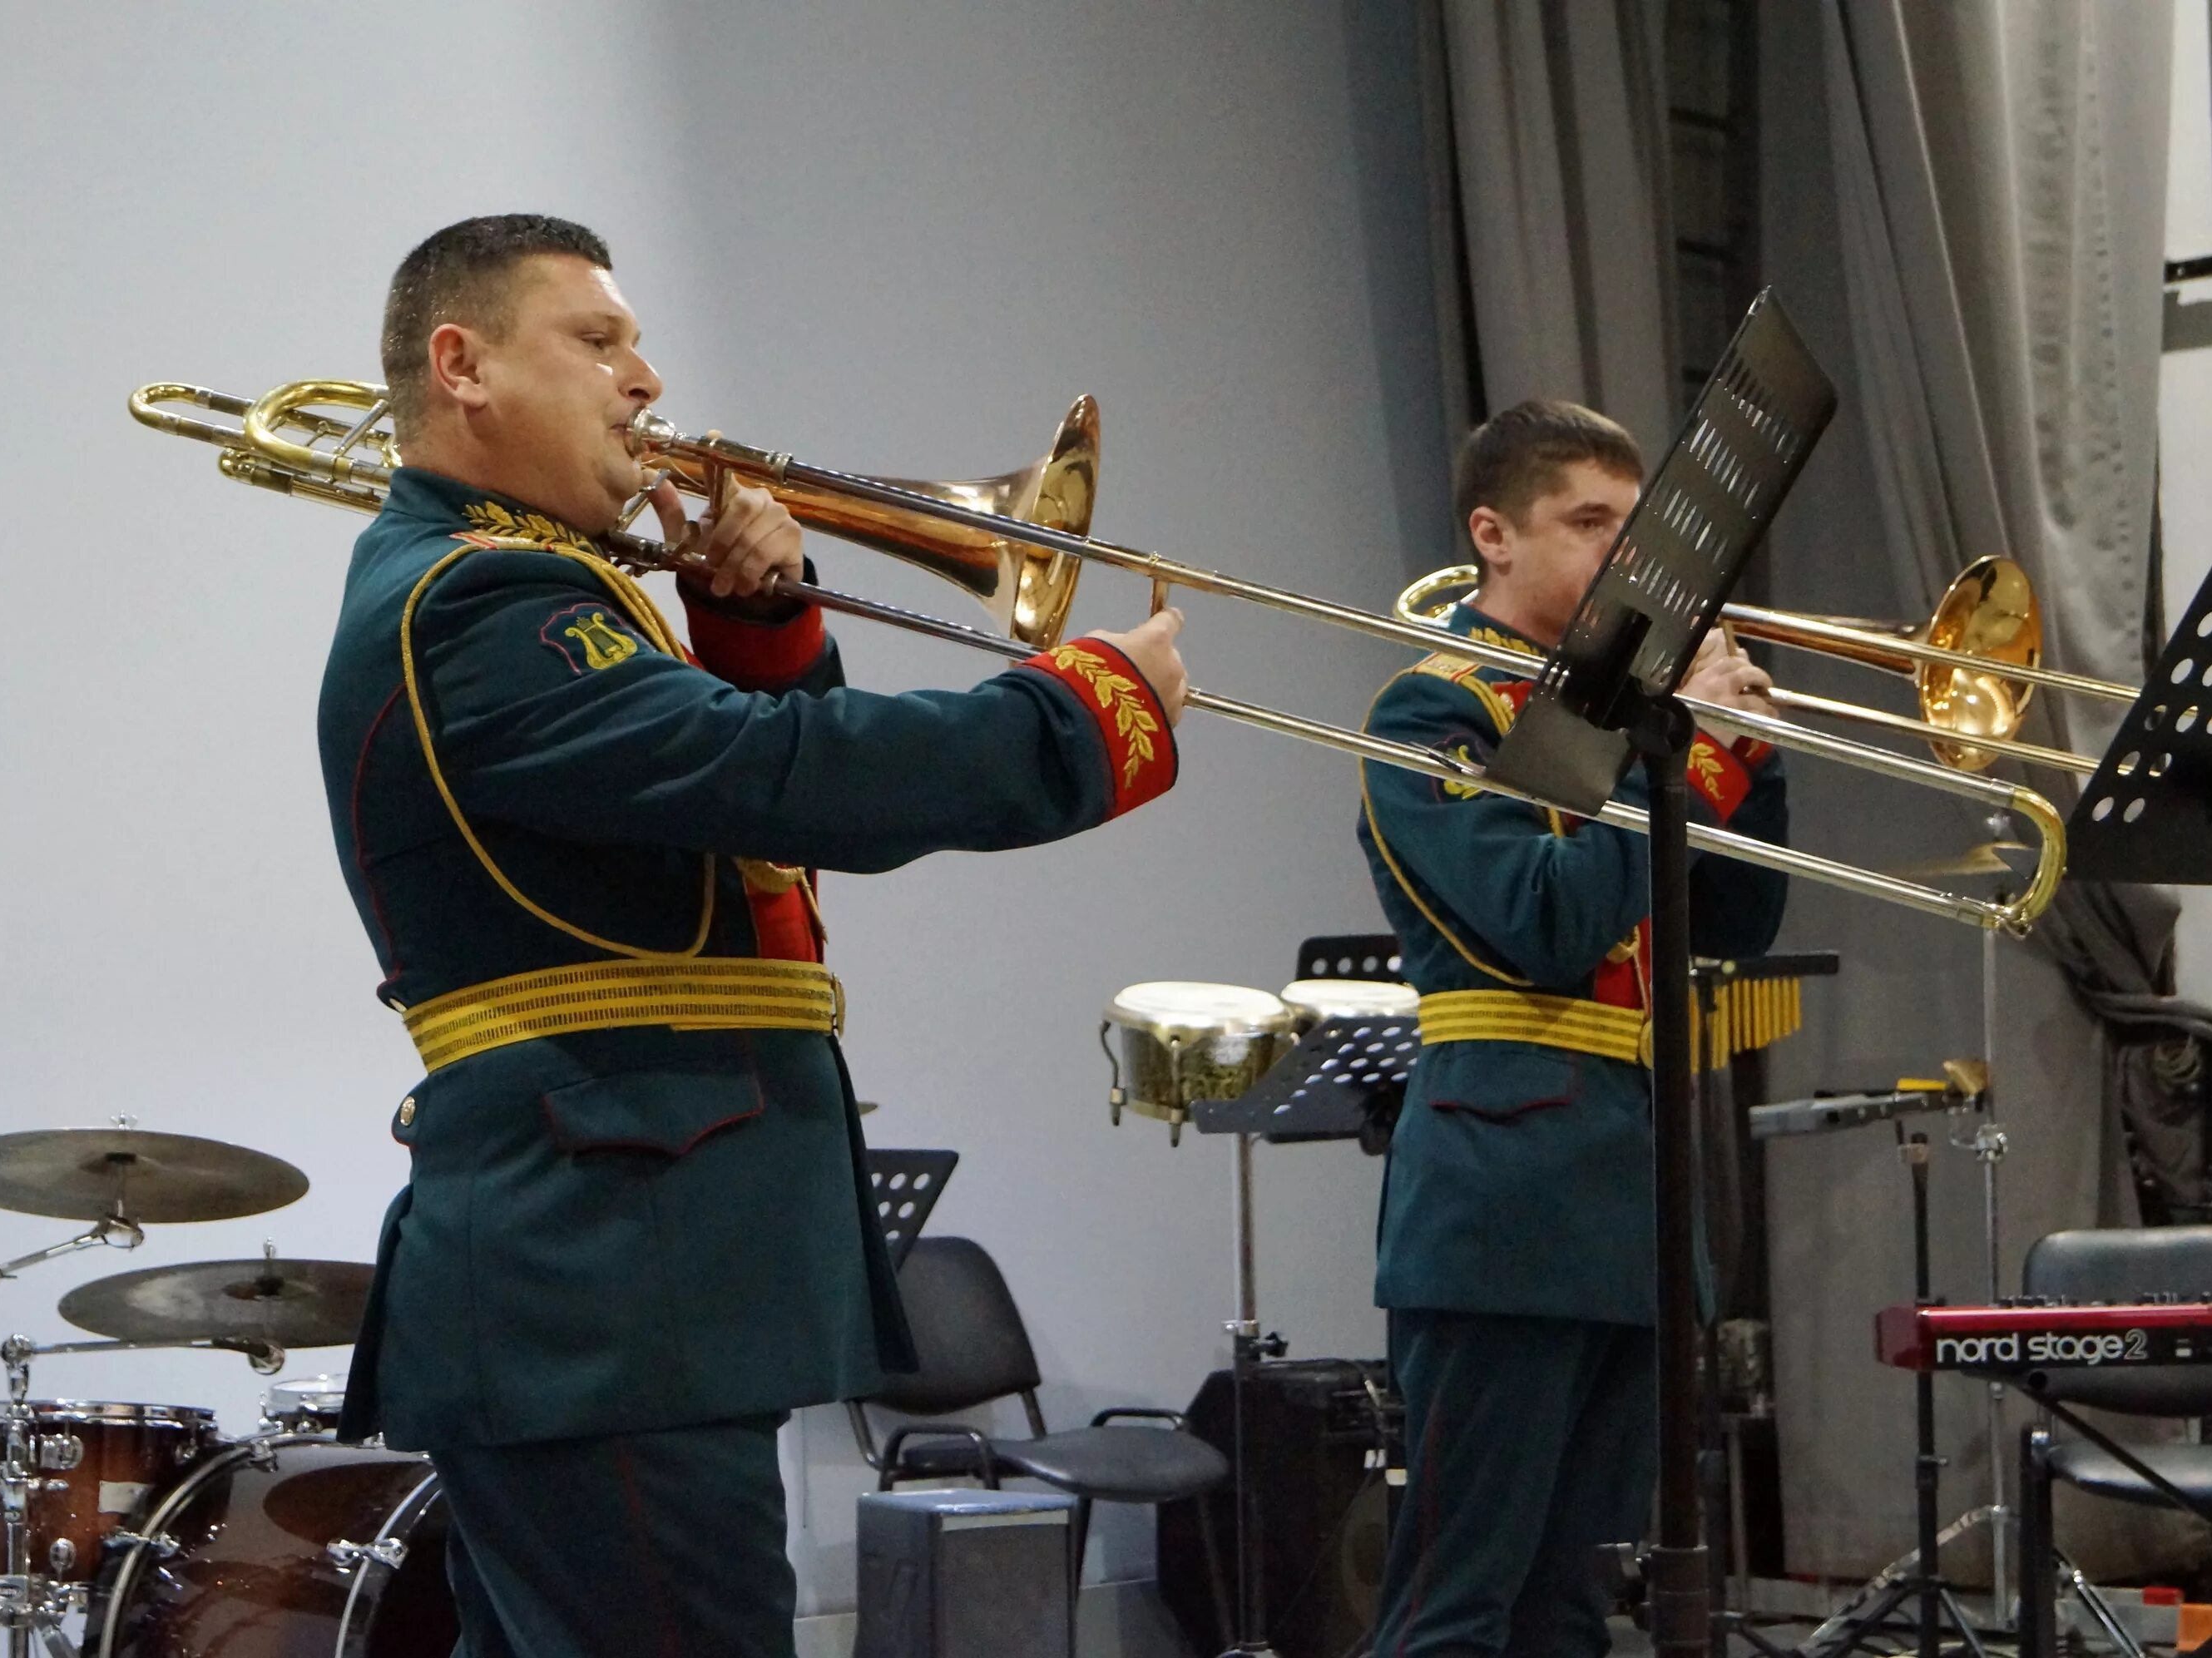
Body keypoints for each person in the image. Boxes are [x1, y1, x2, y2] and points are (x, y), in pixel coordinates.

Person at [315, 213, 1187, 1656]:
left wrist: (756, 627)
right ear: (459, 367)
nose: (645, 379)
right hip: (610, 1280)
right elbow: (787, 780)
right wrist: (1082, 714)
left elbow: (722, 847)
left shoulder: (523, 583)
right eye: (596, 341)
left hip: (617, 1283)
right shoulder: (479, 598)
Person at [1355, 398, 1789, 1658]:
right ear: (1493, 534)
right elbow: (1543, 923)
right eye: (1590, 522)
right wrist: (1684, 759)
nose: (1624, 553)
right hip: (1501, 1202)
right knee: (1453, 1607)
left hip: (1634, 1203)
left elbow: (1740, 920)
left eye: (1633, 526)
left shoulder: (1634, 717)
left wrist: (1748, 760)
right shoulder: (1428, 713)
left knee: (1570, 1612)